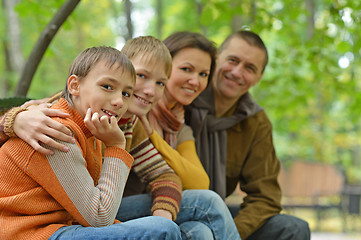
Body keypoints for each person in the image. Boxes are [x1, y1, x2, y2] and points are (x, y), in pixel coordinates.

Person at [1, 35, 240, 239]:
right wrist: (13, 119)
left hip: (76, 215)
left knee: (198, 227)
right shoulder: (54, 121)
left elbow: (164, 174)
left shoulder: (111, 123)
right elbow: (99, 216)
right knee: (166, 227)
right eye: (108, 86)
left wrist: (161, 213)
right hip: (39, 228)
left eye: (126, 92)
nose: (119, 99)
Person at [185, 30, 311, 239]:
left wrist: (231, 233)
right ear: (216, 59)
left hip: (217, 216)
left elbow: (265, 197)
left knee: (294, 229)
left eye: (250, 68)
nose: (237, 72)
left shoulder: (256, 122)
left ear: (258, 77)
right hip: (170, 207)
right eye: (232, 60)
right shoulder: (186, 95)